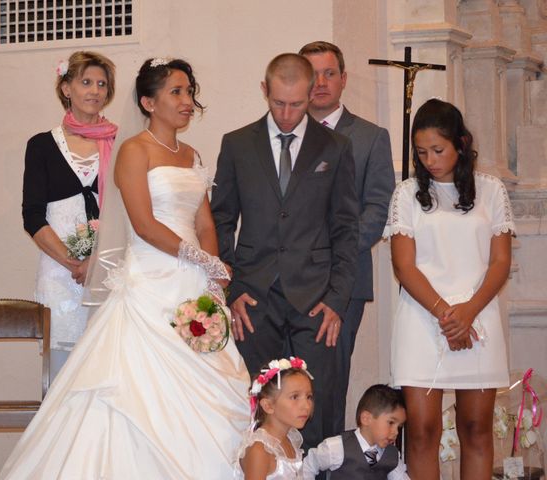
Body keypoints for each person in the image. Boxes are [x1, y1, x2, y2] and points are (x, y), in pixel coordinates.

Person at [0, 58, 250, 479]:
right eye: (176, 92)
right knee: (129, 391)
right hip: (151, 282)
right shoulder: (132, 150)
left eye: (189, 91)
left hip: (193, 283)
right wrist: (204, 259)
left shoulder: (192, 154)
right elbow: (145, 225)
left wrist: (212, 272)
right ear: (149, 102)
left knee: (204, 383)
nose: (187, 101)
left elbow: (204, 221)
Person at [211, 53, 359, 450]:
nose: (288, 114)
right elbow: (220, 221)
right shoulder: (237, 144)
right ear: (265, 91)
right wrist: (231, 288)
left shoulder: (337, 147)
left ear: (311, 94)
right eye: (278, 103)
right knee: (256, 405)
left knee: (316, 404)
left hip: (316, 298)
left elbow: (347, 228)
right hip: (253, 296)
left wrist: (337, 299)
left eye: (297, 103)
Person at [383, 99, 514, 479]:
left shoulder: (491, 191)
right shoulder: (406, 194)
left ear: (462, 142)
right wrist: (447, 315)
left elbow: (500, 262)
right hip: (424, 321)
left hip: (478, 320)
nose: (430, 160)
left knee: (476, 429)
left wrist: (467, 313)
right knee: (422, 433)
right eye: (421, 152)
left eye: (438, 150)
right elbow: (404, 266)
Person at [299, 41, 395, 435]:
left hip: (343, 283)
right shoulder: (282, 133)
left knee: (329, 384)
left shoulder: (370, 137)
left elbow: (377, 209)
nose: (320, 83)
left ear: (343, 79)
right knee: (285, 385)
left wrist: (329, 254)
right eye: (312, 74)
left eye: (329, 73)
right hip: (285, 283)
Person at [22, 51, 118, 380]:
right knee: (63, 380)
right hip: (61, 277)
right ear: (66, 88)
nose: (94, 90)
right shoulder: (42, 146)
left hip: (111, 274)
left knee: (109, 375)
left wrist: (98, 262)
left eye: (102, 84)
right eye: (85, 82)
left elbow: (128, 216)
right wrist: (75, 264)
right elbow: (32, 217)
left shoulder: (122, 145)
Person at [303, 384, 409, 479]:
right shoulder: (337, 447)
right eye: (391, 423)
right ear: (366, 418)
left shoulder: (392, 455)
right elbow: (309, 465)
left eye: (399, 427)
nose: (396, 432)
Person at [234, 357, 314, 479]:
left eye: (308, 397)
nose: (306, 406)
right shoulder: (260, 450)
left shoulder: (289, 439)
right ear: (268, 405)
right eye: (295, 397)